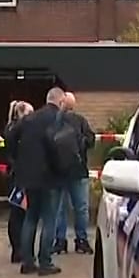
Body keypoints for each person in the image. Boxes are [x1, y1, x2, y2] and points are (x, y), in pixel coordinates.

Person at [9, 87, 72, 276]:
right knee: (50, 219)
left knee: (31, 218)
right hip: (51, 177)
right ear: (60, 102)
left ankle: (27, 261)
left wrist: (17, 159)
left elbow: (11, 135)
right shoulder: (59, 119)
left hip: (29, 177)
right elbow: (64, 147)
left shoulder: (30, 118)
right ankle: (45, 262)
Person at [50, 92, 96, 255]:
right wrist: (81, 144)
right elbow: (91, 140)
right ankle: (81, 240)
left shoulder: (55, 121)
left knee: (59, 209)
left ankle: (60, 241)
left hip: (59, 171)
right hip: (78, 170)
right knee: (81, 208)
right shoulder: (81, 121)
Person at [1, 100, 33, 263]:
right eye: (29, 113)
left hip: (15, 174)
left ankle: (18, 249)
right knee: (19, 213)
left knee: (17, 213)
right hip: (19, 175)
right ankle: (19, 249)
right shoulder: (17, 131)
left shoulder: (10, 129)